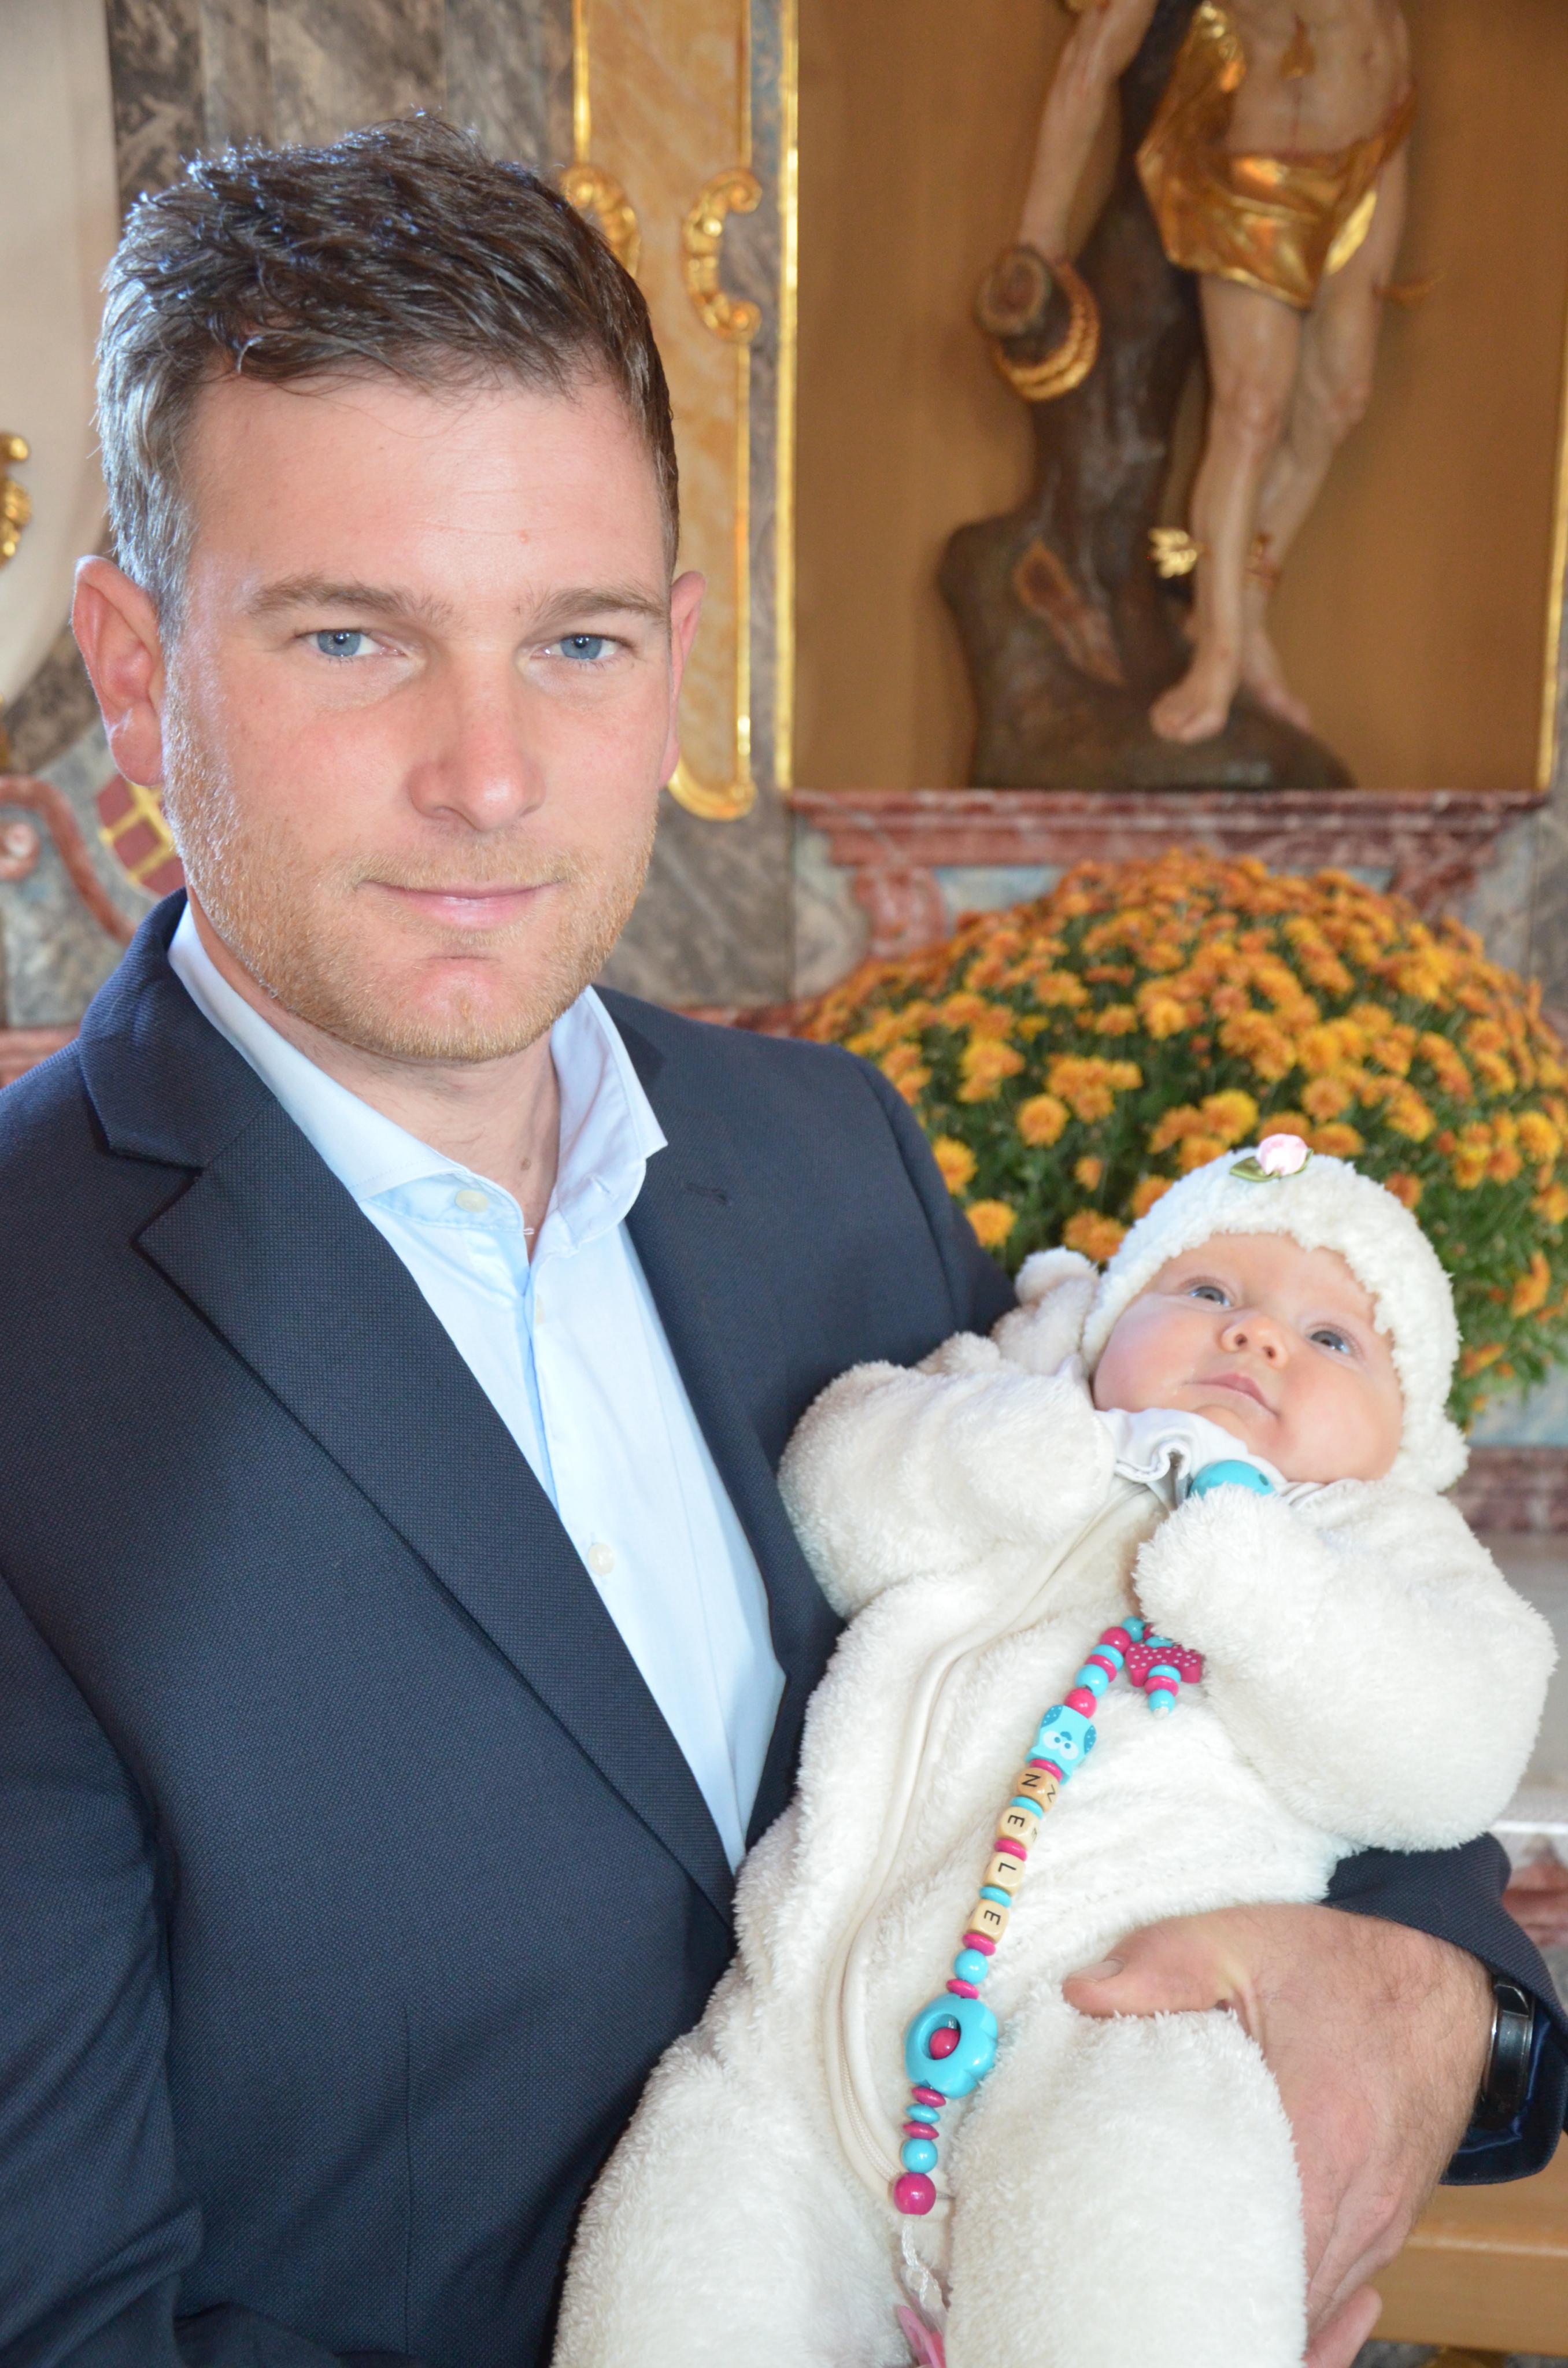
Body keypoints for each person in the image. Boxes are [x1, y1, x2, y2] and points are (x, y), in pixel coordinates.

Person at [0, 116, 1556, 2368]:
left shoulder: (828, 1154)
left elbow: (1218, 1584)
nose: (491, 774)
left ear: (683, 654)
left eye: (578, 639)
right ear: (137, 670)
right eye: (352, 636)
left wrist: (1430, 1996)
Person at [554, 1145, 1553, 2368]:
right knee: (676, 2285)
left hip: (1112, 2027)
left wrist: (1251, 1582)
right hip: (789, 2038)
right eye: (1205, 1291)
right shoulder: (1013, 1403)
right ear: (1106, 1315)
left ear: (1407, 1433)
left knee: (1135, 2271)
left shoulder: (1375, 1537)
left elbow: (1454, 1742)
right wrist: (1020, 1454)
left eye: (1332, 1338)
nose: (1255, 1336)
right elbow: (836, 1488)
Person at [1015, 0, 1413, 743]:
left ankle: (1245, 611)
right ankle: (1218, 660)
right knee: (1251, 414)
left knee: (1339, 401)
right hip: (1265, 172)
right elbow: (1094, 55)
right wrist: (1040, 237)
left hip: (1378, 143)